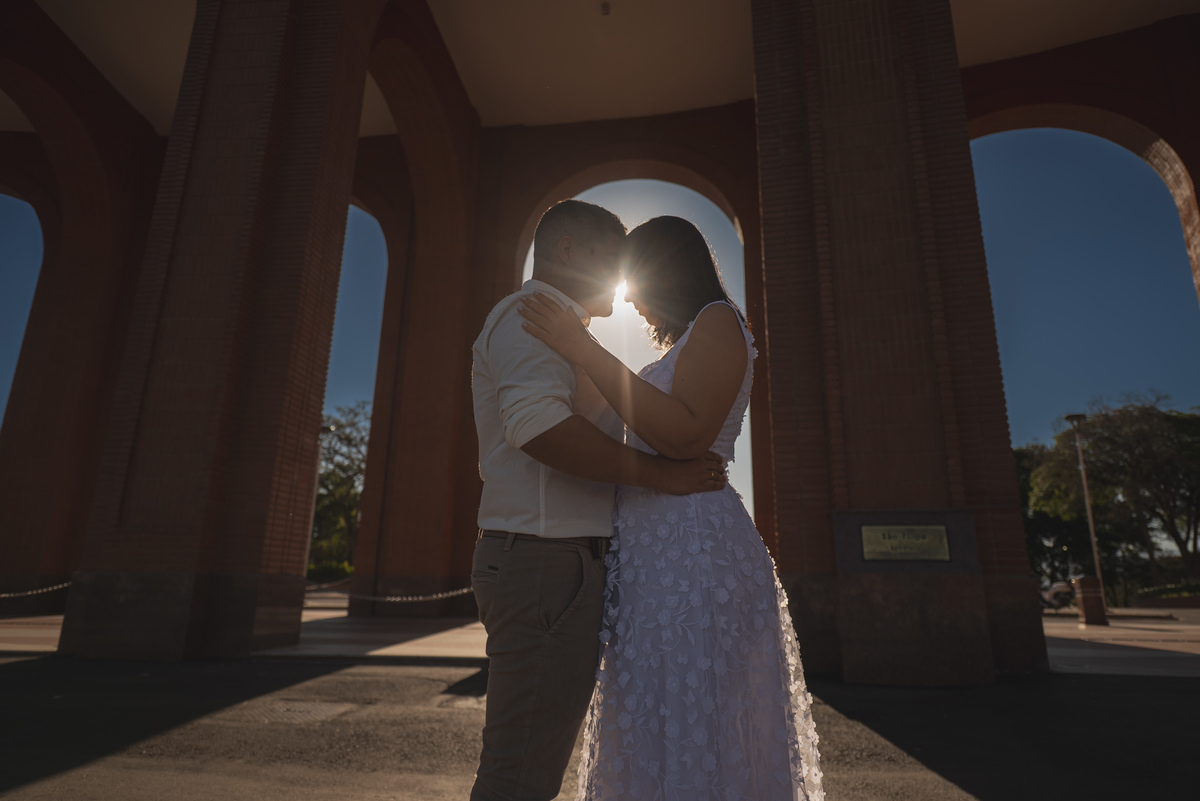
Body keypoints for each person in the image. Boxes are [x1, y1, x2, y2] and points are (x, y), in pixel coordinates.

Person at [518, 215, 824, 801]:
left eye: (638, 291)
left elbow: (684, 436)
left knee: (695, 718)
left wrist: (583, 348)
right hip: (653, 556)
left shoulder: (718, 321)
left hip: (694, 556)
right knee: (649, 720)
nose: (634, 308)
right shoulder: (688, 338)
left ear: (666, 273)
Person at [470, 200, 728, 801]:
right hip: (542, 560)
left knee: (533, 768)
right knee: (519, 775)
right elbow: (539, 429)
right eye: (609, 256)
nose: (620, 274)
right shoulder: (532, 315)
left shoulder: (569, 331)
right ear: (567, 251)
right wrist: (659, 478)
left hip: (560, 562)